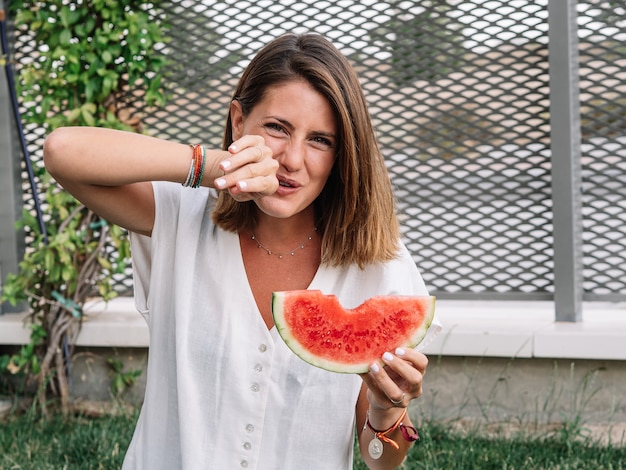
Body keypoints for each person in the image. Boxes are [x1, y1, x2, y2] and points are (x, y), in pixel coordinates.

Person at [44, 33, 440, 470]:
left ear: (341, 153)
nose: (291, 159)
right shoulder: (182, 216)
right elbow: (63, 151)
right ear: (239, 121)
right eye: (277, 128)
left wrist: (387, 410)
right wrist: (215, 168)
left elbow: (381, 460)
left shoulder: (379, 266)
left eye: (320, 140)